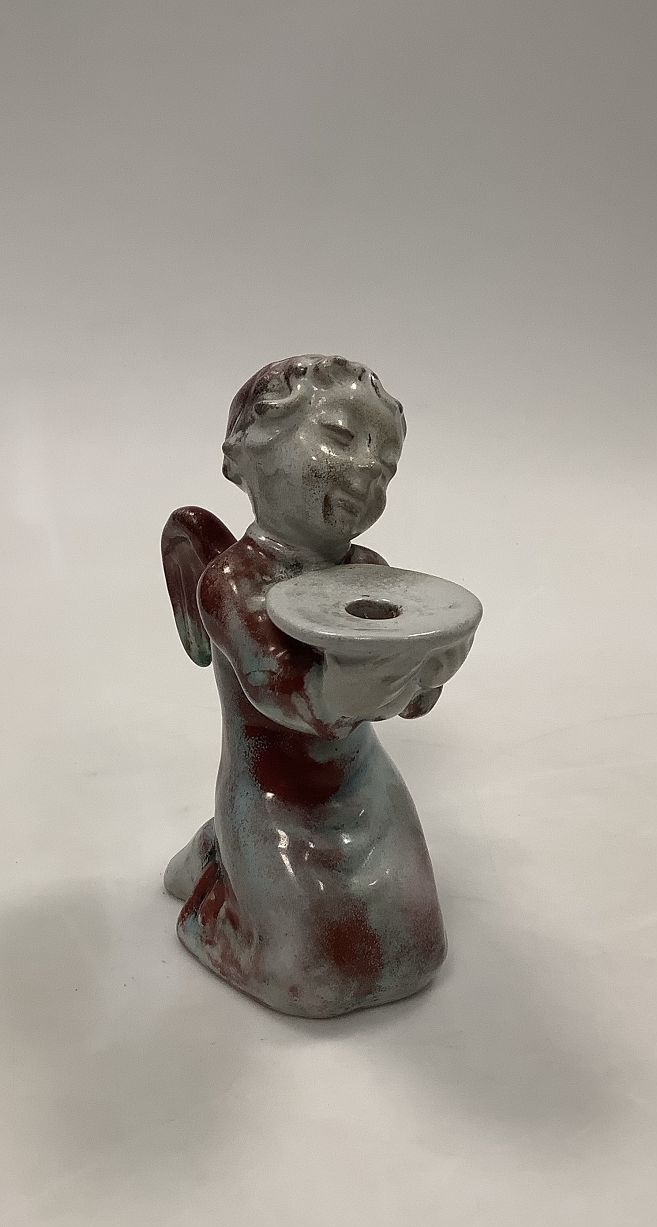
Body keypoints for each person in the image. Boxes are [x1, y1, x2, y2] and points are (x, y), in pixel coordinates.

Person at [162, 355, 467, 1017]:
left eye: (386, 463)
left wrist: (429, 670)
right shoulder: (234, 582)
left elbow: (409, 705)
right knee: (311, 981)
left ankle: (222, 860)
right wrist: (393, 669)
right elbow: (298, 700)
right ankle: (213, 905)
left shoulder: (370, 571)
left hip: (363, 786)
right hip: (274, 798)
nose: (367, 470)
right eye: (339, 438)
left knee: (415, 951)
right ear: (247, 453)